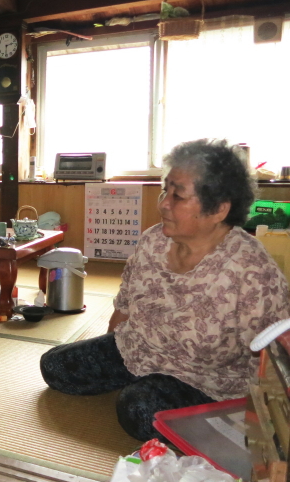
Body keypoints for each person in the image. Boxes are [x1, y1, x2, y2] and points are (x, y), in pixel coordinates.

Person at [41, 139, 289, 441]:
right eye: (165, 190)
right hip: (139, 349)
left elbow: (273, 358)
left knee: (139, 407)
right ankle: (142, 386)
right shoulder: (153, 241)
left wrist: (254, 420)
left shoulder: (252, 270)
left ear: (219, 210)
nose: (163, 204)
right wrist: (112, 354)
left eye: (178, 196)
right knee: (54, 365)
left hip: (205, 380)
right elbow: (124, 308)